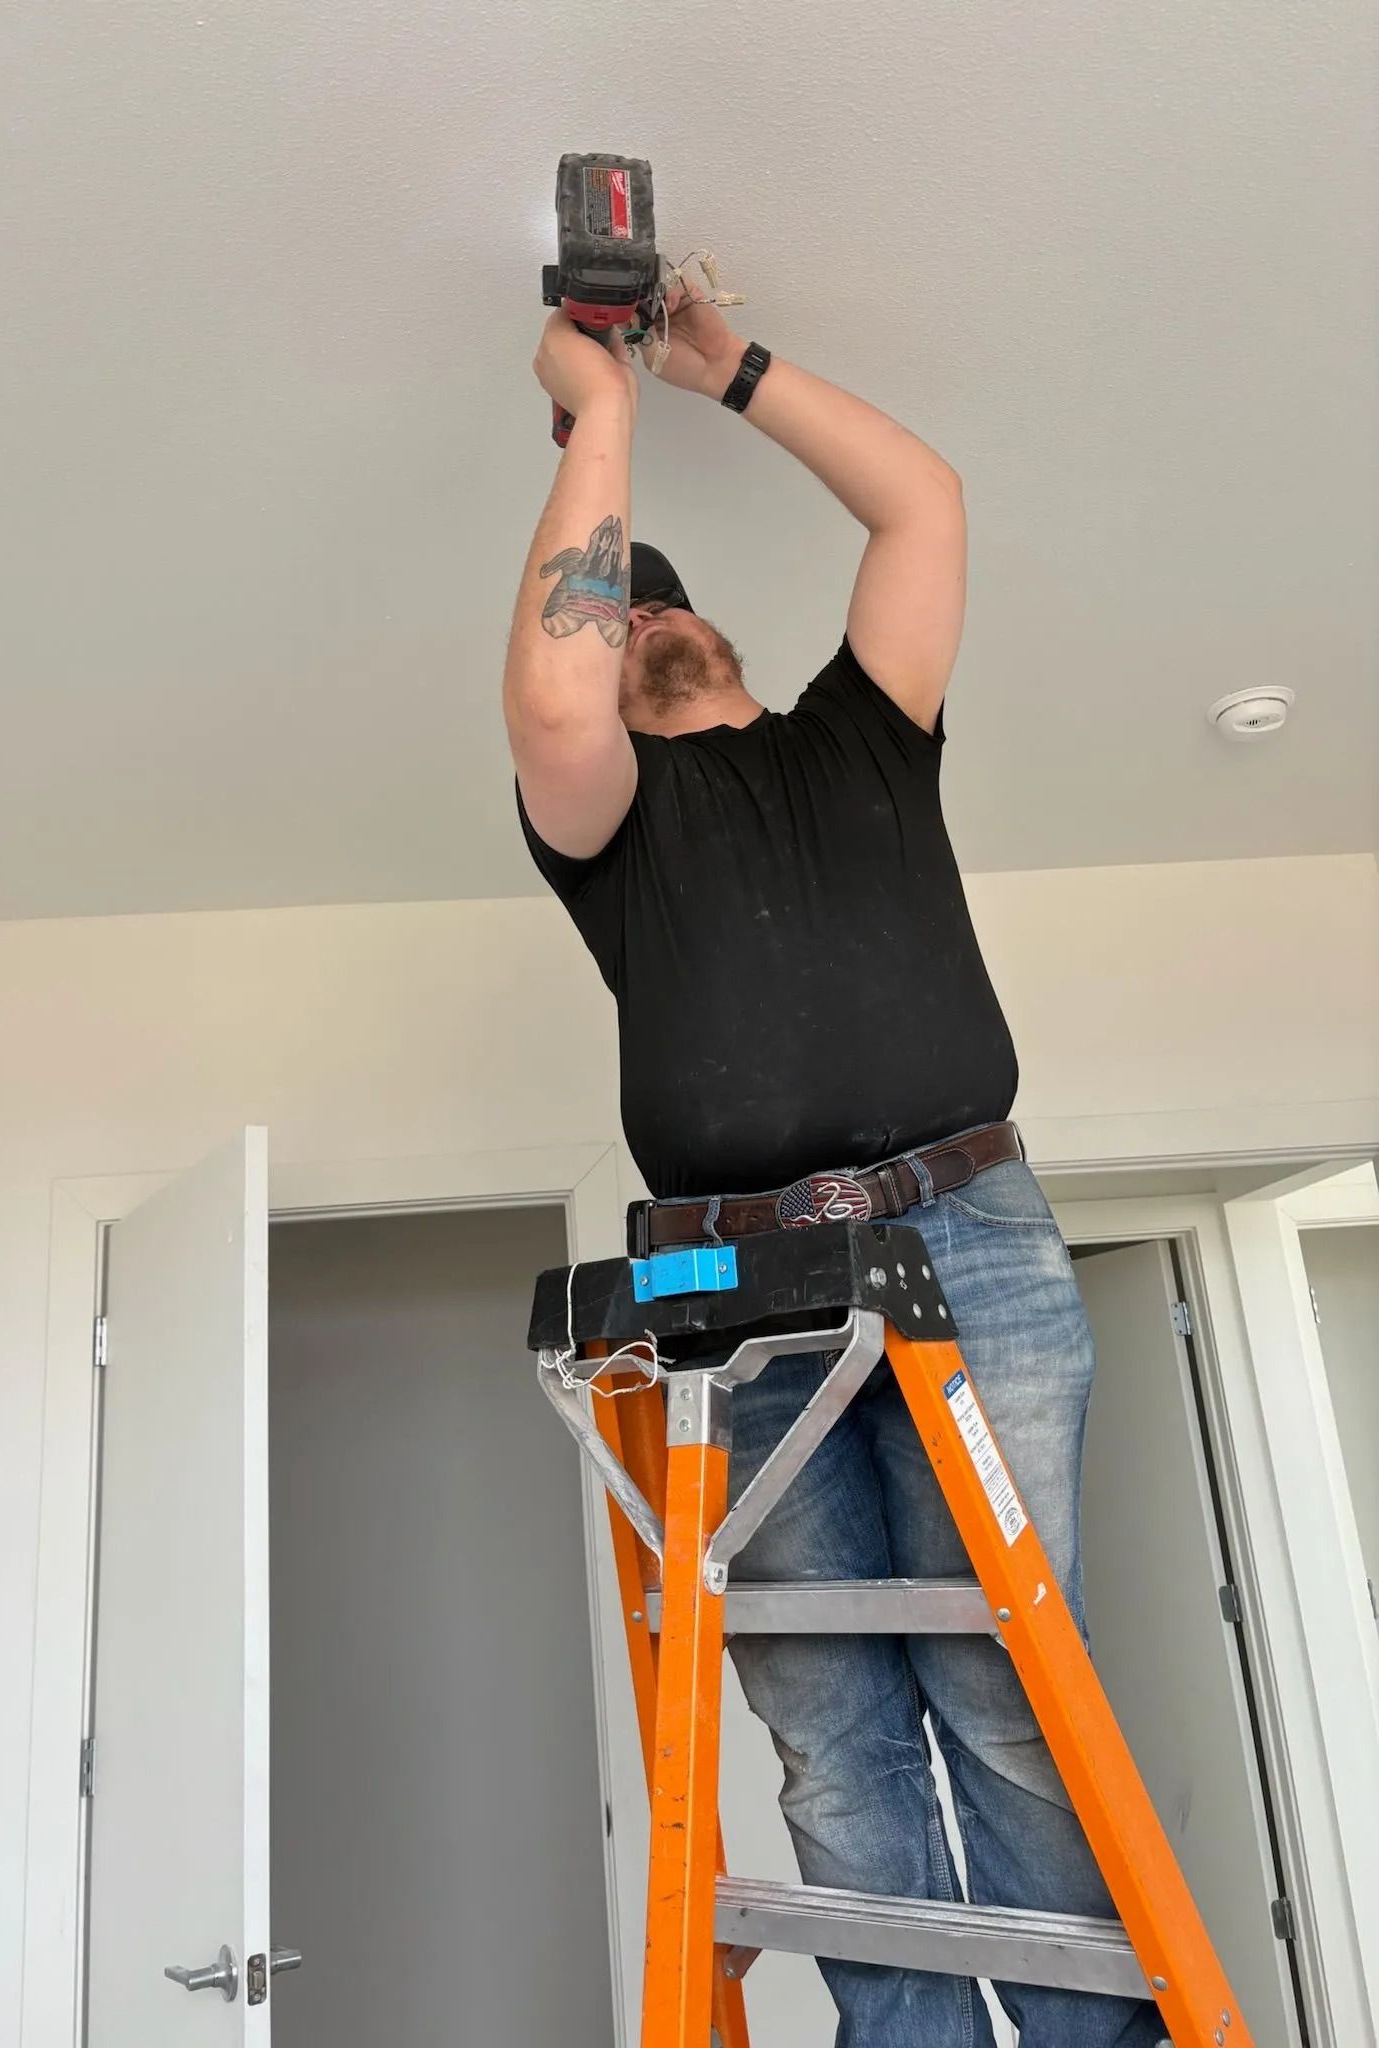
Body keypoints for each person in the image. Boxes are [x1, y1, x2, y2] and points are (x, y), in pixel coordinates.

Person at [503, 291, 1163, 2048]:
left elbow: (922, 507)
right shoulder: (609, 825)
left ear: (719, 633)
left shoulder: (862, 734)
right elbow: (558, 680)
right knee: (830, 1724)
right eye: (615, 611)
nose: (638, 621)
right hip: (740, 1299)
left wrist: (721, 369)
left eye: (662, 598)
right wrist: (596, 415)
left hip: (975, 1241)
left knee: (1006, 1683)